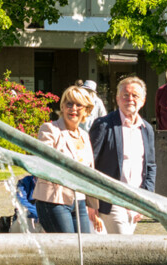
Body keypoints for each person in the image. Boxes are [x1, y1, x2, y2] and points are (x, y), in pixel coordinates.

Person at [89, 75, 156, 235]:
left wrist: (145, 201)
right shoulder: (104, 125)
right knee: (123, 244)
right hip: (111, 200)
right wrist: (91, 202)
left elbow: (150, 166)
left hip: (136, 200)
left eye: (135, 95)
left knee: (118, 248)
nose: (130, 99)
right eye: (125, 95)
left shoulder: (146, 129)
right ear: (117, 99)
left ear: (143, 100)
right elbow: (90, 164)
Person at [33, 84, 103, 234]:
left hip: (79, 201)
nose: (73, 109)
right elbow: (44, 162)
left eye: (79, 105)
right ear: (63, 107)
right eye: (69, 104)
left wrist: (93, 207)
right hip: (54, 200)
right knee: (68, 250)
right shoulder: (50, 129)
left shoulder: (84, 135)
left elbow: (89, 173)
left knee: (84, 247)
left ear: (87, 110)